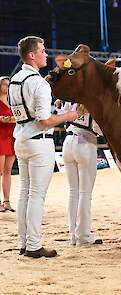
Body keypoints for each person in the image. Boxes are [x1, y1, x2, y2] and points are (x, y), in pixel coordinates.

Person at [9, 36, 77, 258]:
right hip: (39, 141)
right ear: (32, 55)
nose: (46, 54)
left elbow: (24, 114)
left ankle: (25, 242)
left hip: (21, 138)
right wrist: (70, 115)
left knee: (25, 193)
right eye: (42, 50)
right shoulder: (37, 83)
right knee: (36, 195)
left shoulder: (14, 81)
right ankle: (34, 245)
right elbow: (44, 121)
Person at [62, 102, 103, 246]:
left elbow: (62, 114)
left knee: (73, 192)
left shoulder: (70, 99)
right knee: (85, 193)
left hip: (68, 142)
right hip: (85, 142)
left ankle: (73, 234)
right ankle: (83, 235)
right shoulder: (94, 101)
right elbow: (99, 129)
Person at [0, 76, 16, 212]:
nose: (7, 87)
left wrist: (13, 119)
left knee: (7, 171)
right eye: (5, 84)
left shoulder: (13, 101)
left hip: (11, 136)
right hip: (0, 136)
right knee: (0, 171)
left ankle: (6, 201)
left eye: (8, 85)